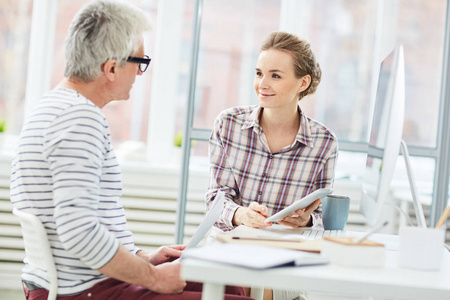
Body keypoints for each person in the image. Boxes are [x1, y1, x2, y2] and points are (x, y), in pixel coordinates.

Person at [10, 1, 252, 300]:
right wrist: (154, 278)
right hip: (85, 291)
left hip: (84, 280)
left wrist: (143, 258)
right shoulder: (79, 119)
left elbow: (83, 224)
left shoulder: (53, 107)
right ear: (111, 68)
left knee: (227, 285)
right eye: (140, 61)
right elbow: (78, 231)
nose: (140, 72)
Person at [206, 31, 338, 300]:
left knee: (266, 283)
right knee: (246, 283)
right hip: (231, 241)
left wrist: (306, 218)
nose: (262, 84)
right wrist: (241, 214)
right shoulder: (228, 124)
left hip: (286, 250)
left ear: (303, 82)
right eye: (258, 73)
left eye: (275, 75)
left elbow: (322, 217)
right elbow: (215, 198)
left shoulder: (324, 142)